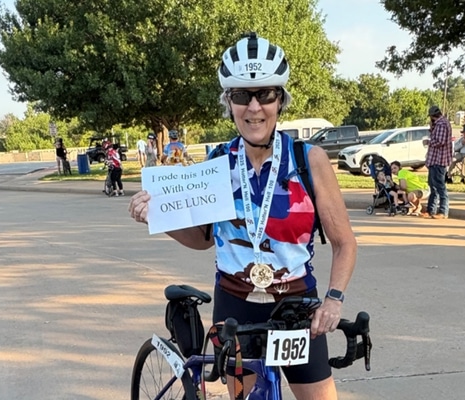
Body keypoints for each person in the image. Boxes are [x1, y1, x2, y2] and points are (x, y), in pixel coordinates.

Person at [128, 32, 357, 400]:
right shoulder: (217, 162)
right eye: (240, 96)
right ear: (229, 103)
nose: (254, 108)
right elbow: (203, 239)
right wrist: (158, 217)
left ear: (280, 100)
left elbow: (345, 243)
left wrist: (333, 300)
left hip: (296, 308)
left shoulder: (308, 160)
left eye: (265, 94)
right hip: (236, 307)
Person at [424, 105, 453, 219]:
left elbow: (440, 141)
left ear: (432, 116)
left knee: (439, 186)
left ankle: (443, 211)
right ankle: (431, 210)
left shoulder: (441, 124)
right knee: (433, 186)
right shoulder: (439, 124)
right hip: (434, 159)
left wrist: (429, 142)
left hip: (439, 159)